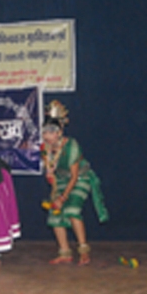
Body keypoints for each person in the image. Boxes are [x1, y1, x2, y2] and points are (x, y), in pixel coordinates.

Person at [40, 100, 109, 266]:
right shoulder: (45, 149)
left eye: (51, 132)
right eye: (45, 132)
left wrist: (62, 198)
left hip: (79, 179)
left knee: (71, 210)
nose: (47, 136)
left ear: (59, 132)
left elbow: (74, 176)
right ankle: (64, 253)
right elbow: (51, 173)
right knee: (55, 214)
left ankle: (84, 251)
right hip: (61, 181)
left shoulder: (71, 145)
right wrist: (54, 189)